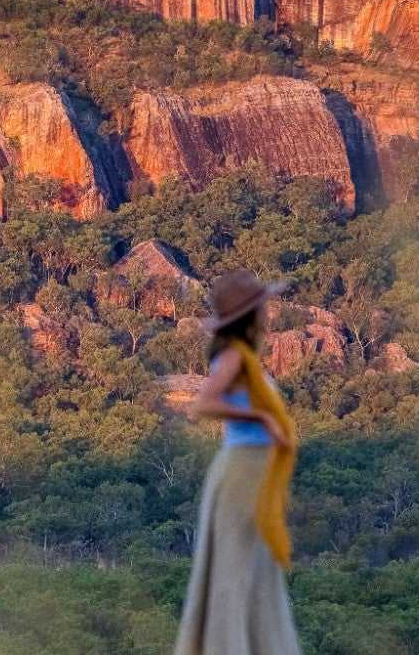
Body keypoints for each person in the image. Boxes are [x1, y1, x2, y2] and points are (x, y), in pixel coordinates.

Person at [174, 270, 302, 655]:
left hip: (252, 471)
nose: (268, 311)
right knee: (237, 568)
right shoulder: (232, 357)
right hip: (242, 471)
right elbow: (203, 405)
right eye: (262, 305)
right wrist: (261, 418)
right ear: (250, 314)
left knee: (254, 568)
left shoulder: (244, 358)